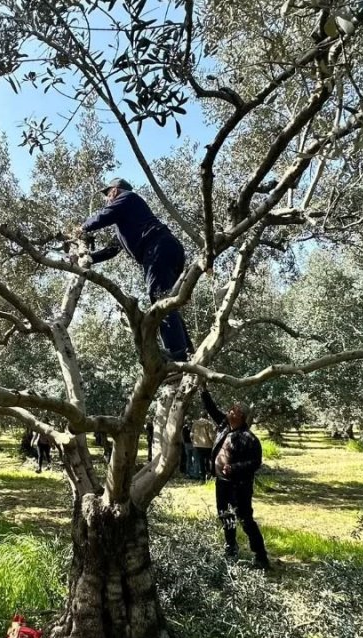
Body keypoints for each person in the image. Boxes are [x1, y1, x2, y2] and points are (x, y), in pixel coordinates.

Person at [79, 178, 193, 362]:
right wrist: (89, 258)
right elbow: (112, 249)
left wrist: (81, 228)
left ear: (115, 191)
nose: (107, 200)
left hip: (158, 248)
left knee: (160, 300)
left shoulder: (128, 198)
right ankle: (186, 352)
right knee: (166, 301)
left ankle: (177, 355)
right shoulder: (126, 221)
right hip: (164, 249)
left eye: (108, 195)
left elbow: (102, 217)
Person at [201, 389, 270, 568]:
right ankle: (231, 548)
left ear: (242, 416)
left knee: (245, 519)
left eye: (235, 409)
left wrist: (235, 468)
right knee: (225, 515)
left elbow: (256, 462)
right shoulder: (224, 426)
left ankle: (260, 556)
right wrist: (203, 390)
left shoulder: (249, 439)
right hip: (222, 483)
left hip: (239, 486)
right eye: (231, 408)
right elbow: (212, 409)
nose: (230, 410)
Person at [191, 417, 216, 482]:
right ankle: (209, 475)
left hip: (197, 445)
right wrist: (214, 441)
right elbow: (211, 435)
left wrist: (193, 441)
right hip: (207, 445)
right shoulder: (208, 423)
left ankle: (202, 478)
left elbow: (191, 434)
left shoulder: (195, 423)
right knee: (208, 461)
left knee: (201, 462)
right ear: (206, 417)